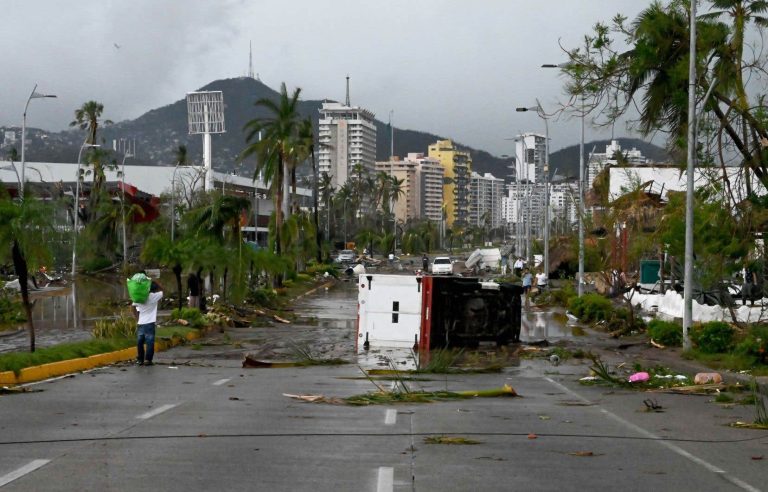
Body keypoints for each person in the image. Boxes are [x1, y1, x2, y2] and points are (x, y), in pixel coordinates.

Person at [133, 280, 163, 366]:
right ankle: (148, 360)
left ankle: (140, 359)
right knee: (149, 342)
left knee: (140, 342)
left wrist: (137, 318)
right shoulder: (154, 296)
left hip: (141, 323)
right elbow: (162, 291)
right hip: (150, 322)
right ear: (153, 290)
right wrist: (155, 281)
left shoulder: (140, 296)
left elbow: (133, 306)